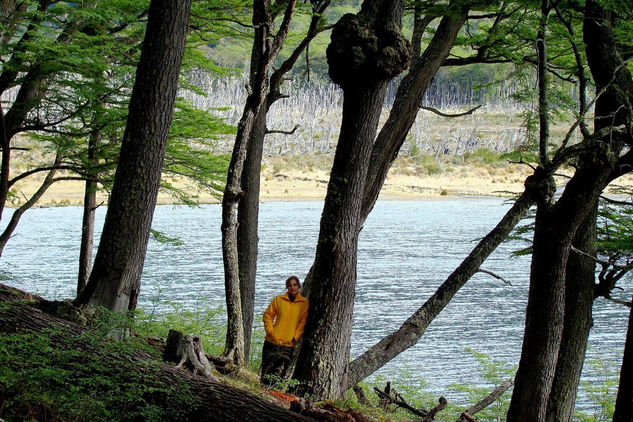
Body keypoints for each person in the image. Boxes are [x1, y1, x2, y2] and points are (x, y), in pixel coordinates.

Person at [260, 275, 309, 386]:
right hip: (271, 342)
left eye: (295, 285)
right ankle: (262, 393)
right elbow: (268, 315)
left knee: (279, 374)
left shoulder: (304, 304)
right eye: (290, 285)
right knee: (266, 372)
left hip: (288, 345)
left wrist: (294, 337)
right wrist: (270, 331)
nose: (292, 287)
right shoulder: (278, 300)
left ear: (299, 286)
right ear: (287, 287)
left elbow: (302, 323)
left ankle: (273, 395)